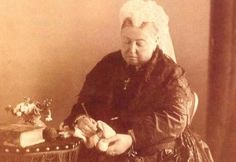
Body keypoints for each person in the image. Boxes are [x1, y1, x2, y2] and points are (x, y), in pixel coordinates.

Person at [60, 0, 213, 161]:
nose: (131, 49)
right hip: (106, 147)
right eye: (126, 41)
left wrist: (131, 138)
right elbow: (83, 104)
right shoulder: (107, 65)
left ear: (156, 40)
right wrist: (81, 119)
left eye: (139, 44)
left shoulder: (170, 73)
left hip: (152, 150)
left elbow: (175, 118)